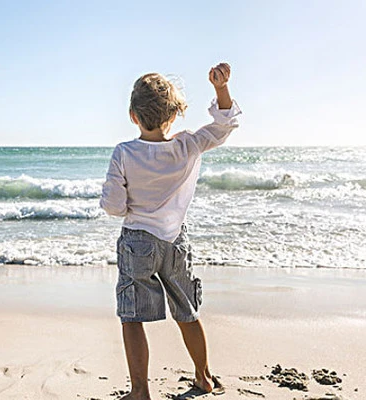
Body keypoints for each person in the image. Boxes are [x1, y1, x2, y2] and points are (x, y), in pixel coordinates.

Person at [100, 63, 241, 400]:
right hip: (175, 240)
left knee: (132, 316)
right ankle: (203, 377)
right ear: (174, 115)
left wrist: (132, 204)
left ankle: (139, 392)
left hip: (137, 242)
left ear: (134, 116)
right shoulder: (187, 146)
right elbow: (225, 124)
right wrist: (221, 89)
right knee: (186, 311)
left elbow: (113, 206)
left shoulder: (124, 153)